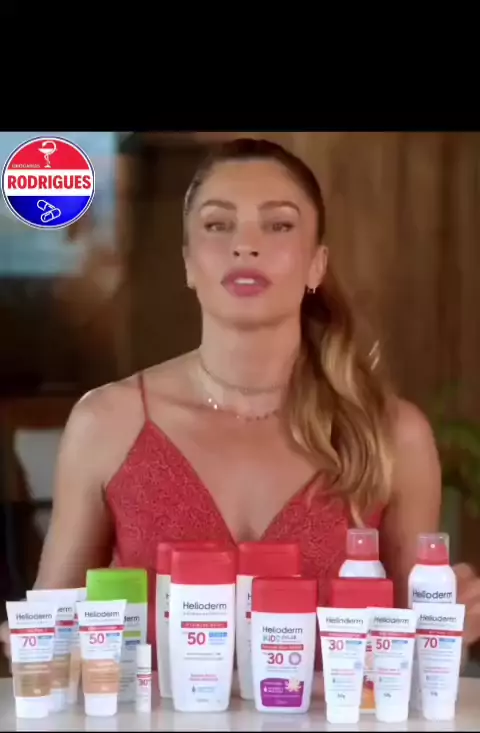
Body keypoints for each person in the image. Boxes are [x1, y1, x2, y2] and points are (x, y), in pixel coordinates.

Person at [2, 136, 480, 661]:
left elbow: (419, 657)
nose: (245, 245)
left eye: (278, 225)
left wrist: (449, 628)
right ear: (188, 263)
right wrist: (32, 645)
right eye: (217, 224)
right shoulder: (106, 423)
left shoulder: (392, 435)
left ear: (317, 265)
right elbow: (50, 641)